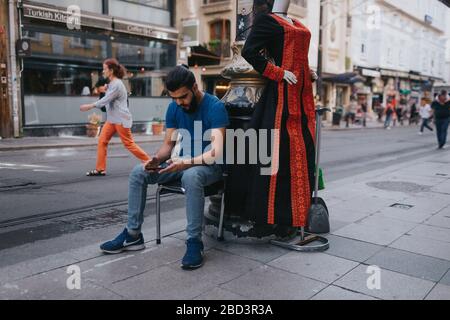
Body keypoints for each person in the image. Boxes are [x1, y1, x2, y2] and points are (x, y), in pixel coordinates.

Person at [99, 65, 229, 270]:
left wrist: (186, 163)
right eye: (174, 98)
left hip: (208, 167)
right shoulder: (174, 107)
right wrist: (156, 160)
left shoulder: (215, 107)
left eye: (183, 97)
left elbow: (216, 151)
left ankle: (194, 241)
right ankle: (133, 235)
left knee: (192, 176)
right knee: (138, 172)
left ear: (194, 87)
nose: (179, 103)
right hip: (179, 164)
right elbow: (168, 145)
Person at [241, 0, 317, 229]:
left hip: (303, 98)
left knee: (303, 154)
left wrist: (307, 72)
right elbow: (249, 51)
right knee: (281, 158)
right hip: (281, 100)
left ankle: (301, 216)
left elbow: (299, 56)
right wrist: (278, 72)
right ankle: (280, 221)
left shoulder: (295, 22)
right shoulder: (267, 21)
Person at [80, 58, 150, 176]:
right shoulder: (112, 84)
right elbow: (109, 93)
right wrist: (105, 88)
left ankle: (150, 161)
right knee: (102, 141)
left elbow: (106, 100)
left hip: (121, 119)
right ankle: (100, 169)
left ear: (111, 70)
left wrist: (90, 105)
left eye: (105, 69)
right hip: (112, 120)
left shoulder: (117, 84)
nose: (103, 71)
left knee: (129, 144)